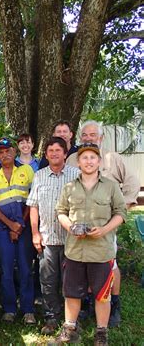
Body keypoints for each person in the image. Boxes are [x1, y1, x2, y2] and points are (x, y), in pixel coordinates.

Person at [67, 120, 139, 326]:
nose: (89, 138)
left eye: (93, 135)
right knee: (84, 264)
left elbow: (132, 182)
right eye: (85, 135)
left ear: (101, 137)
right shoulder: (72, 159)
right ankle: (89, 303)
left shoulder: (112, 158)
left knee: (110, 264)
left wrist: (120, 208)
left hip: (106, 224)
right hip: (79, 225)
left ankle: (114, 303)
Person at [55, 143, 126, 345]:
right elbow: (61, 212)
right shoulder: (69, 187)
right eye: (84, 158)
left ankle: (101, 333)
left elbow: (121, 212)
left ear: (99, 162)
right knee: (71, 293)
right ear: (78, 162)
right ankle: (69, 329)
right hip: (75, 251)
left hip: (101, 251)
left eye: (92, 158)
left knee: (102, 295)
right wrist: (71, 228)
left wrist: (104, 230)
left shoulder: (111, 186)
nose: (88, 161)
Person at [26, 137, 80, 334]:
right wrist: (34, 233)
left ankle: (71, 319)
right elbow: (33, 206)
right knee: (48, 281)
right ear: (46, 154)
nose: (55, 153)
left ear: (65, 153)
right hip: (47, 239)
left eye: (58, 150)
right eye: (51, 150)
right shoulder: (39, 175)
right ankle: (51, 317)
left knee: (71, 281)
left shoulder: (77, 174)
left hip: (72, 240)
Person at [0, 137, 36, 324]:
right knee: (6, 269)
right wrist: (10, 224)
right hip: (1, 228)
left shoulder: (26, 170)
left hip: (24, 227)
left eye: (8, 151)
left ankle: (28, 309)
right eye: (1, 152)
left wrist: (20, 225)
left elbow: (32, 199)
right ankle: (9, 309)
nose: (5, 154)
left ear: (14, 152)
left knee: (25, 268)